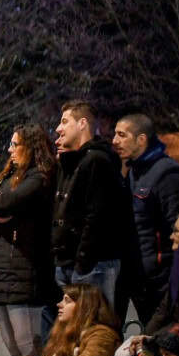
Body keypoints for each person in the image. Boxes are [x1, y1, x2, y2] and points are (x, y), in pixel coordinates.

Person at [0, 125, 56, 356]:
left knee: (29, 347)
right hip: (0, 272)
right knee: (11, 345)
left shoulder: (39, 177)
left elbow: (3, 203)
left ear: (31, 147)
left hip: (23, 271)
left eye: (15, 145)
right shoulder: (8, 177)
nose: (10, 150)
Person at [112, 113, 179, 325]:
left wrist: (174, 278)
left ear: (141, 139)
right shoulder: (134, 172)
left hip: (161, 281)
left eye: (121, 135)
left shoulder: (167, 174)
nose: (115, 141)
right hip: (140, 280)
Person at [51, 101, 129, 315]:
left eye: (65, 121)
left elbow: (97, 216)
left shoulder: (97, 160)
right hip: (72, 263)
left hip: (92, 265)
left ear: (83, 123)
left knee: (95, 329)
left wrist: (82, 264)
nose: (58, 128)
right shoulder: (71, 163)